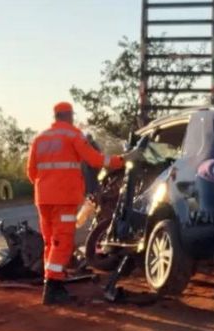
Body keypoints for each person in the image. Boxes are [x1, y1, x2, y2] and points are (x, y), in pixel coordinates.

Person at [27, 102, 138, 304]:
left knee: (50, 242)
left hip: (43, 198)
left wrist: (47, 183)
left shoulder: (40, 138)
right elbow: (96, 160)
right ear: (69, 116)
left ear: (55, 116)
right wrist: (123, 160)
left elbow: (31, 172)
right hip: (64, 198)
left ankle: (52, 282)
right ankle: (52, 288)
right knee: (62, 241)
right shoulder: (73, 135)